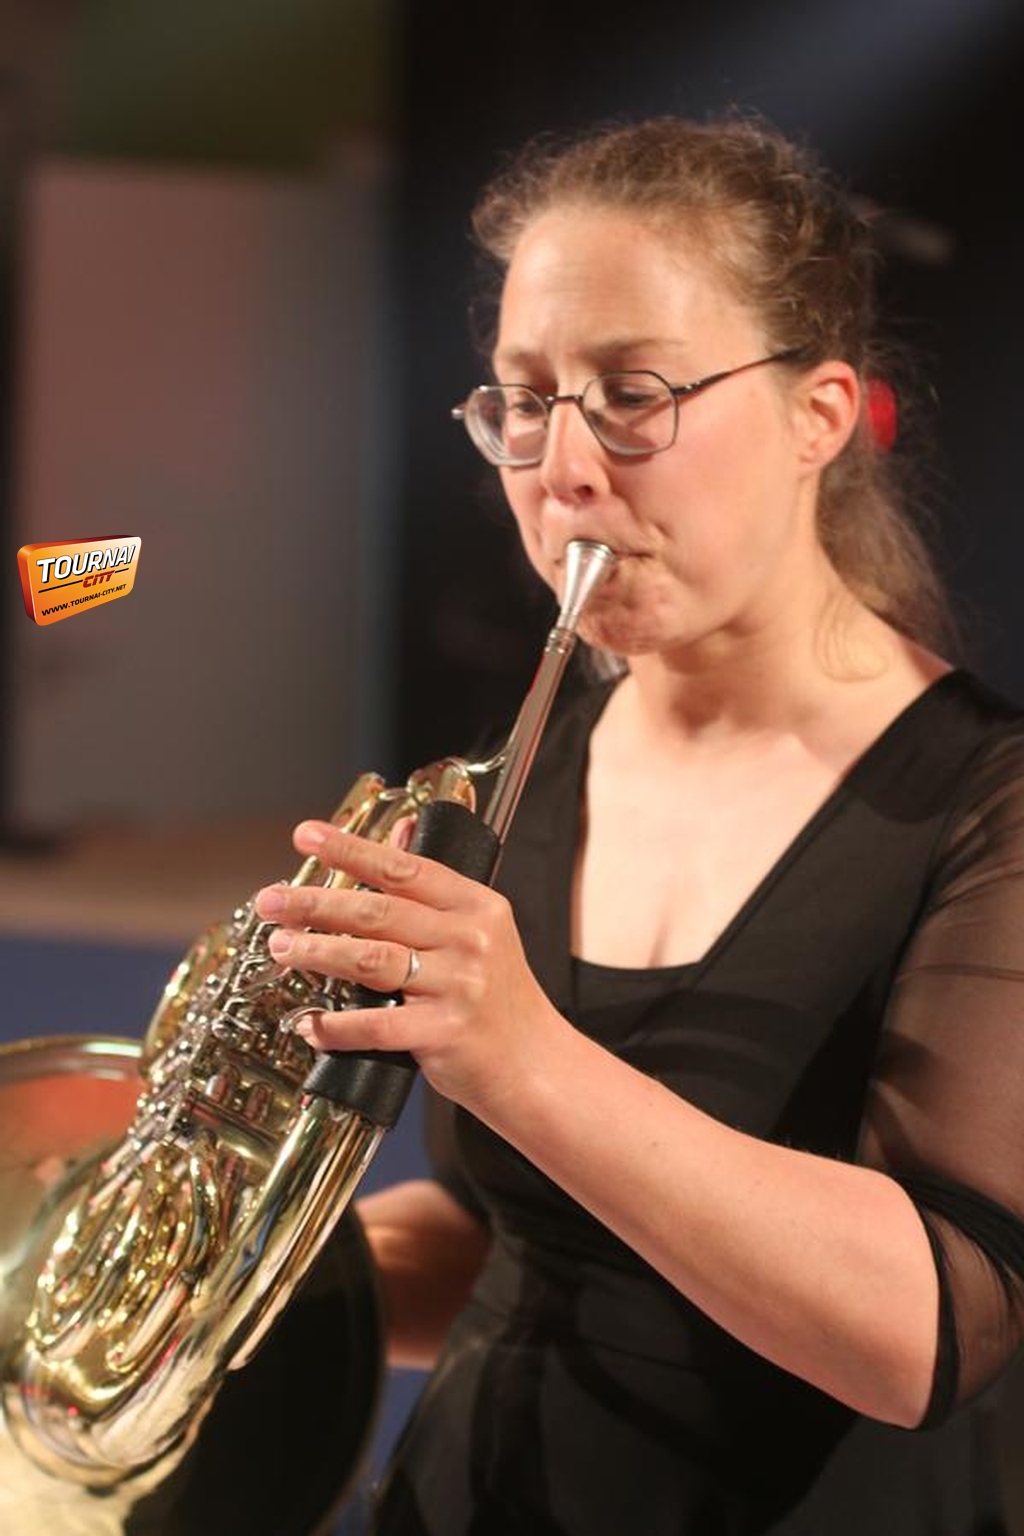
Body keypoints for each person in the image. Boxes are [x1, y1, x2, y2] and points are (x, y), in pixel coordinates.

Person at [254, 115, 1024, 1534]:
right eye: (524, 401)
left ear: (819, 416)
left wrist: (523, 1057)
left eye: (632, 395)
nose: (562, 468)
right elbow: (522, 1235)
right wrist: (253, 1274)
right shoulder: (519, 774)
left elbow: (932, 1330)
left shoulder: (987, 808)